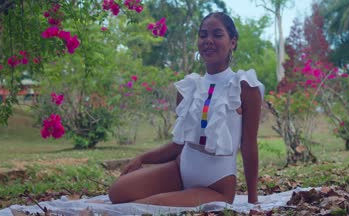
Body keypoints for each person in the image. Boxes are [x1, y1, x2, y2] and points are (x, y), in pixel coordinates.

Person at [108, 12, 264, 206]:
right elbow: (179, 144)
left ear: (233, 42)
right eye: (203, 35)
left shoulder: (245, 86)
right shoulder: (189, 87)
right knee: (118, 192)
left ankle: (180, 198)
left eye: (217, 34)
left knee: (148, 206)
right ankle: (180, 193)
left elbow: (249, 145)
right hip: (179, 170)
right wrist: (142, 158)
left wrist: (253, 201)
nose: (208, 40)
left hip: (216, 185)